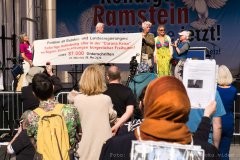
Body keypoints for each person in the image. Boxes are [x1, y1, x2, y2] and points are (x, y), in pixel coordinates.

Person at [99, 76, 220, 160]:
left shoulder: (116, 147)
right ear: (185, 107)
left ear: (148, 105)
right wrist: (206, 117)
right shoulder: (207, 152)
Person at [18, 73, 80, 159]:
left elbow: (34, 143)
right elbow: (78, 134)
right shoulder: (70, 110)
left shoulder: (31, 116)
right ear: (53, 88)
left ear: (34, 94)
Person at [73, 64, 117, 160]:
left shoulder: (77, 100)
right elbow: (112, 117)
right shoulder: (106, 99)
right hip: (103, 146)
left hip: (84, 146)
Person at [104, 65, 136, 135]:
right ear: (120, 76)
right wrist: (118, 124)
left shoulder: (102, 91)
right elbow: (130, 111)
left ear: (107, 77)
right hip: (124, 127)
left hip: (107, 127)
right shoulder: (127, 90)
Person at [217, 65, 238, 160]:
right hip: (229, 122)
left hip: (216, 122)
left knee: (213, 152)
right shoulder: (233, 90)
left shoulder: (214, 90)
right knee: (225, 153)